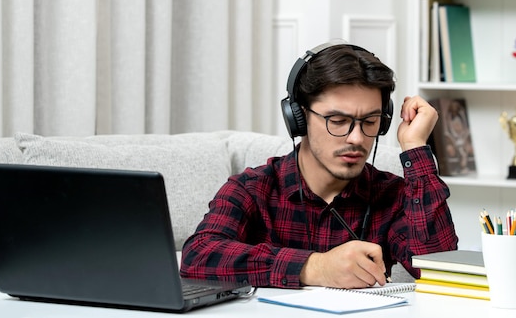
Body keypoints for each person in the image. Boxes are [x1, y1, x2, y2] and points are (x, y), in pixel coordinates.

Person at [180, 42, 458, 289]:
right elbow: (199, 256)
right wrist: (315, 267)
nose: (357, 138)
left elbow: (441, 272)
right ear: (297, 117)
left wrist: (416, 148)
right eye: (337, 121)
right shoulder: (252, 189)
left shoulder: (393, 195)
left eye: (371, 122)